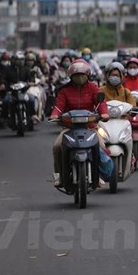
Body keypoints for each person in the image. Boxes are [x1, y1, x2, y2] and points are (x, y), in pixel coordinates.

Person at [50, 59, 109, 187]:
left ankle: (97, 175)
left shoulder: (93, 88)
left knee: (102, 146)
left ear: (87, 75)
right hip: (69, 128)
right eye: (77, 75)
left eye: (82, 75)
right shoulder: (64, 91)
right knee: (57, 147)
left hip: (90, 127)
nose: (80, 78)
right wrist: (55, 114)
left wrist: (104, 113)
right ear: (71, 76)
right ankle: (60, 175)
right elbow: (59, 106)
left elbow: (101, 103)